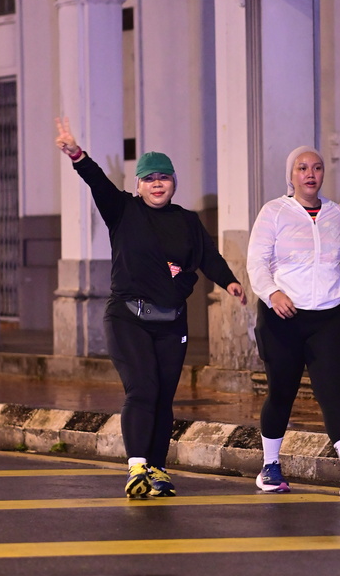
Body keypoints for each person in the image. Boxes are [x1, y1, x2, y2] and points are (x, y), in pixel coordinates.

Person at [54, 117, 246, 499]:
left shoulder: (187, 221)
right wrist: (77, 155)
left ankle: (158, 468)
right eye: (149, 178)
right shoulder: (123, 210)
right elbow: (97, 182)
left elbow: (208, 257)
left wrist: (229, 282)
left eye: (164, 177)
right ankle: (137, 466)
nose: (157, 184)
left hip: (171, 321)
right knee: (142, 388)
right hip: (128, 317)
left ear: (174, 182)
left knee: (163, 397)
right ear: (138, 185)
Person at [247, 145, 340, 497]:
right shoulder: (274, 212)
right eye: (302, 168)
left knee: (332, 392)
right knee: (281, 393)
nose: (310, 174)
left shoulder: (335, 213)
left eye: (317, 168)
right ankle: (270, 467)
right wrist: (272, 293)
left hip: (328, 318)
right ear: (291, 175)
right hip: (282, 317)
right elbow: (256, 261)